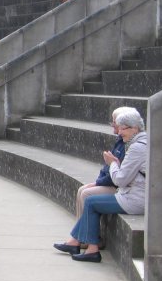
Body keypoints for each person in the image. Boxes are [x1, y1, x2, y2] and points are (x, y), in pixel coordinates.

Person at [53, 111, 147, 263]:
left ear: (135, 128)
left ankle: (91, 249)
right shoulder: (143, 143)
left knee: (91, 202)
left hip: (136, 199)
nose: (120, 132)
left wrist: (113, 164)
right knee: (92, 200)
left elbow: (120, 179)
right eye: (120, 128)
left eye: (124, 128)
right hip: (137, 195)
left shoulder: (137, 148)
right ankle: (79, 244)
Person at [75, 107, 135, 219]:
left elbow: (117, 177)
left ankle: (85, 234)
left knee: (86, 194)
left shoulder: (128, 146)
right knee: (81, 190)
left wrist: (98, 183)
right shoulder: (120, 141)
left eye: (116, 126)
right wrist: (98, 181)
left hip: (117, 187)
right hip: (111, 182)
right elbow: (106, 168)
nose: (115, 131)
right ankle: (79, 231)